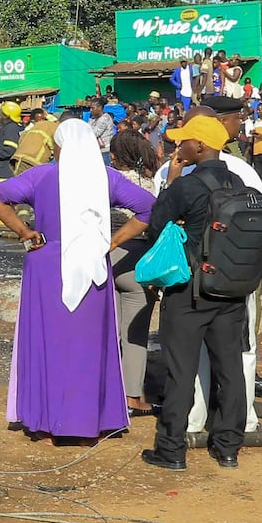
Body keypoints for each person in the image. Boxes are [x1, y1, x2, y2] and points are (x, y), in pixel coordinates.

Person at [0, 119, 154, 442]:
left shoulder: (42, 175)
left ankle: (47, 425)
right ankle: (91, 423)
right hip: (93, 268)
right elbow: (148, 208)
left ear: (59, 146)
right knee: (89, 346)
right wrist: (114, 241)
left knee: (48, 344)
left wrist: (23, 232)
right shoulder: (106, 178)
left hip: (47, 264)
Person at [141, 116, 252, 471]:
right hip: (230, 289)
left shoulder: (187, 186)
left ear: (200, 146)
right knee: (230, 368)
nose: (178, 147)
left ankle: (171, 449)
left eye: (184, 141)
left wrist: (169, 183)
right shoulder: (237, 182)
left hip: (189, 291)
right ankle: (229, 447)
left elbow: (155, 226)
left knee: (181, 369)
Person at [108, 130, 161, 415]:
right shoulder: (152, 183)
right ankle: (133, 398)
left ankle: (104, 391)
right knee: (135, 333)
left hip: (105, 256)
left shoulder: (106, 179)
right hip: (139, 260)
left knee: (106, 332)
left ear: (113, 156)